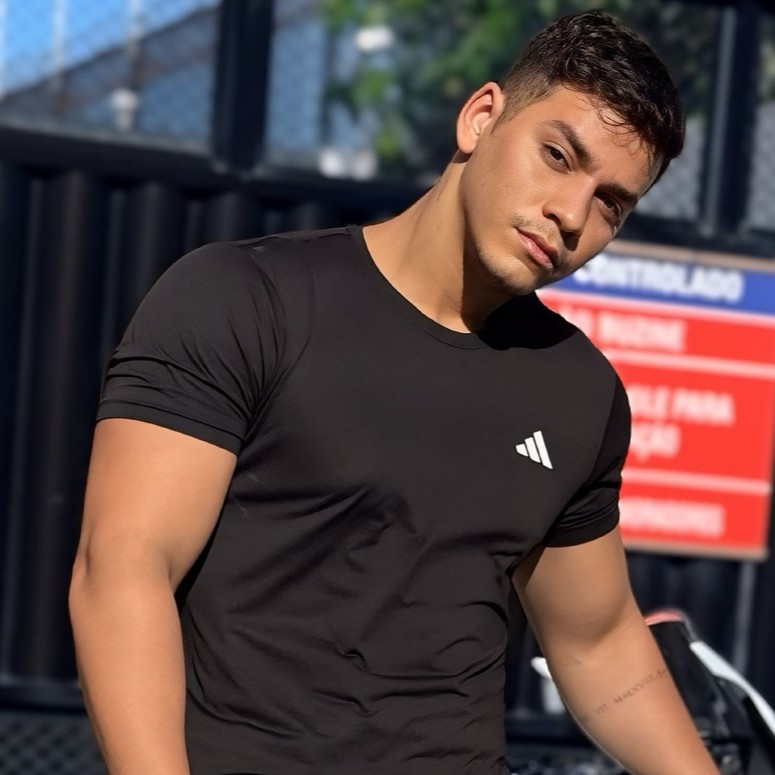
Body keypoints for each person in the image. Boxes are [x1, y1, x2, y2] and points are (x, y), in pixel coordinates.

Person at [69, 10, 721, 775]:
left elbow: (597, 641)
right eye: (555, 155)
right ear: (480, 117)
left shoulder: (578, 391)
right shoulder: (243, 299)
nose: (570, 215)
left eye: (610, 202)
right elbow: (123, 567)